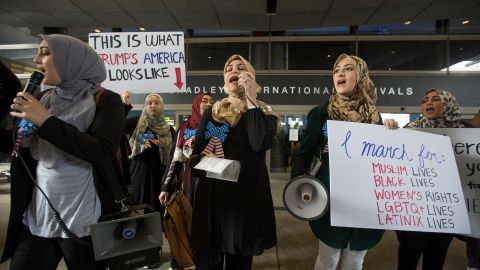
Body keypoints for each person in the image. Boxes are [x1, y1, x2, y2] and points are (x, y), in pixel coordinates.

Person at [2, 34, 126, 269]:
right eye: (38, 52)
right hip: (39, 212)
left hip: (83, 217)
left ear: (72, 60)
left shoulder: (105, 100)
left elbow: (100, 151)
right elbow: (19, 146)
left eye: (46, 53)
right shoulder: (43, 98)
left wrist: (45, 121)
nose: (37, 59)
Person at [291, 53, 397, 270]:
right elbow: (303, 155)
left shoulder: (375, 118)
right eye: (336, 69)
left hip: (366, 200)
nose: (339, 72)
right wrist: (298, 188)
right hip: (331, 198)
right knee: (328, 259)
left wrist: (393, 132)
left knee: (355, 261)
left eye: (348, 68)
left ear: (361, 76)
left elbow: (389, 159)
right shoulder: (321, 114)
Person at [187, 54, 278, 270]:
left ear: (252, 77)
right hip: (214, 198)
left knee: (240, 260)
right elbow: (196, 156)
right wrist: (202, 162)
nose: (234, 71)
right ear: (224, 79)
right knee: (208, 261)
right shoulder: (212, 113)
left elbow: (259, 143)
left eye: (241, 68)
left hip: (245, 197)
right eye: (229, 69)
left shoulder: (264, 112)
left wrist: (252, 98)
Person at [396, 88, 468, 270]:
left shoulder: (466, 134)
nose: (428, 103)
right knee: (408, 257)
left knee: (436, 259)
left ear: (448, 104)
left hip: (446, 211)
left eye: (435, 99)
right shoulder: (409, 131)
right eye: (425, 100)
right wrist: (390, 130)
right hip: (416, 210)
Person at [159, 92, 214, 270]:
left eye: (212, 101)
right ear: (196, 104)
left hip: (214, 184)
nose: (208, 103)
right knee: (187, 223)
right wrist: (166, 187)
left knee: (210, 227)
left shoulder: (219, 127)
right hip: (191, 185)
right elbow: (175, 160)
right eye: (204, 101)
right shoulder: (185, 128)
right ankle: (183, 260)